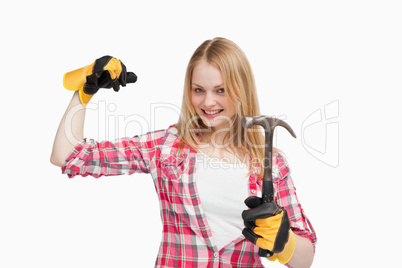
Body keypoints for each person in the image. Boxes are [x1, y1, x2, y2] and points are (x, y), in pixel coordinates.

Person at [51, 37, 316, 268]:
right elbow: (68, 156)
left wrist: (286, 241)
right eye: (198, 90)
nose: (208, 102)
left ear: (241, 90)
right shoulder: (165, 147)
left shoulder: (270, 163)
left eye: (220, 90)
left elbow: (306, 258)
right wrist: (85, 92)